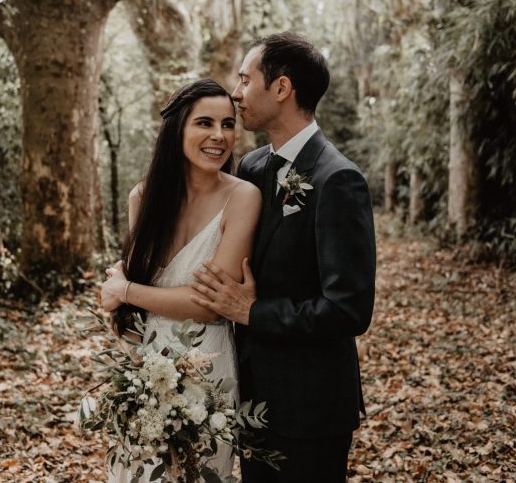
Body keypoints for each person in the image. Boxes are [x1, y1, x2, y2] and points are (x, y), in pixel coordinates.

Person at [191, 32, 376, 482]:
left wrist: (252, 312)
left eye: (245, 79)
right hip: (250, 397)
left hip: (310, 407)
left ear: (281, 89)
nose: (235, 93)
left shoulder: (338, 180)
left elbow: (349, 309)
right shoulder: (252, 167)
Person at [100, 78, 262, 481]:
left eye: (228, 124)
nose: (219, 136)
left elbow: (209, 305)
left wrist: (126, 290)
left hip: (208, 368)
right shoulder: (144, 196)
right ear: (178, 130)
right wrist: (129, 334)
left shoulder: (243, 196)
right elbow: (128, 307)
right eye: (204, 123)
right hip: (145, 362)